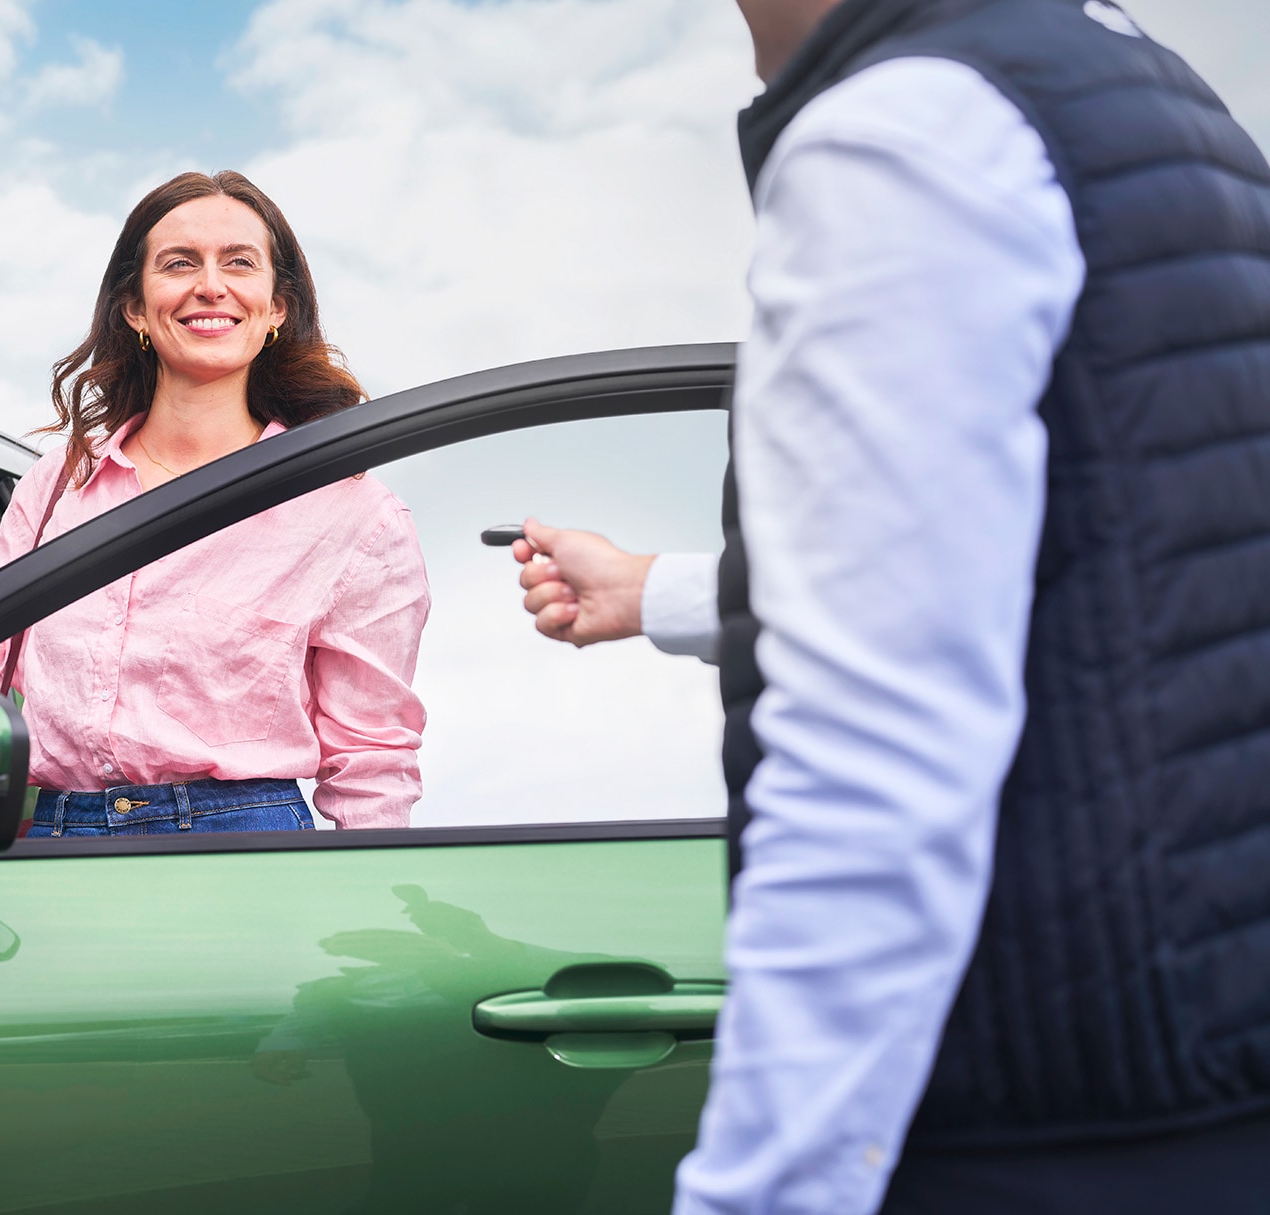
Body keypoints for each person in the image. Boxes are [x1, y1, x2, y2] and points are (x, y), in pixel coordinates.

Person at [514, 0, 1269, 1211]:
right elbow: (1084, 552)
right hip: (1208, 1084)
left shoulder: (901, 134)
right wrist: (653, 590)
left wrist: (763, 1193)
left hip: (1044, 1122)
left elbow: (872, 747)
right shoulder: (1146, 95)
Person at [0, 170, 429, 835]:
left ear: (276, 307)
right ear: (136, 308)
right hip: (56, 847)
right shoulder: (60, 485)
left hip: (243, 857)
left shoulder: (351, 513)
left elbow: (371, 761)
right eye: (179, 263)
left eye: (238, 263)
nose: (210, 285)